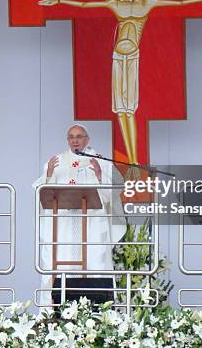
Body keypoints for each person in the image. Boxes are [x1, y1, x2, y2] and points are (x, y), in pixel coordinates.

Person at [39, 0, 202, 175]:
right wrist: (59, 1)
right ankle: (132, 162)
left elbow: (179, 2)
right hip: (118, 58)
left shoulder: (148, 4)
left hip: (132, 57)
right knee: (121, 111)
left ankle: (135, 161)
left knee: (129, 110)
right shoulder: (115, 5)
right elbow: (85, 5)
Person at [33, 124, 126, 306]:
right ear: (68, 140)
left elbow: (115, 192)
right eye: (71, 136)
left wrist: (100, 176)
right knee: (61, 263)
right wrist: (49, 175)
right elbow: (42, 194)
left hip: (92, 225)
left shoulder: (102, 162)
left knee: (95, 262)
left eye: (79, 136)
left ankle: (99, 309)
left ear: (87, 139)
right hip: (64, 228)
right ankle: (54, 310)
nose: (75, 140)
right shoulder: (55, 162)